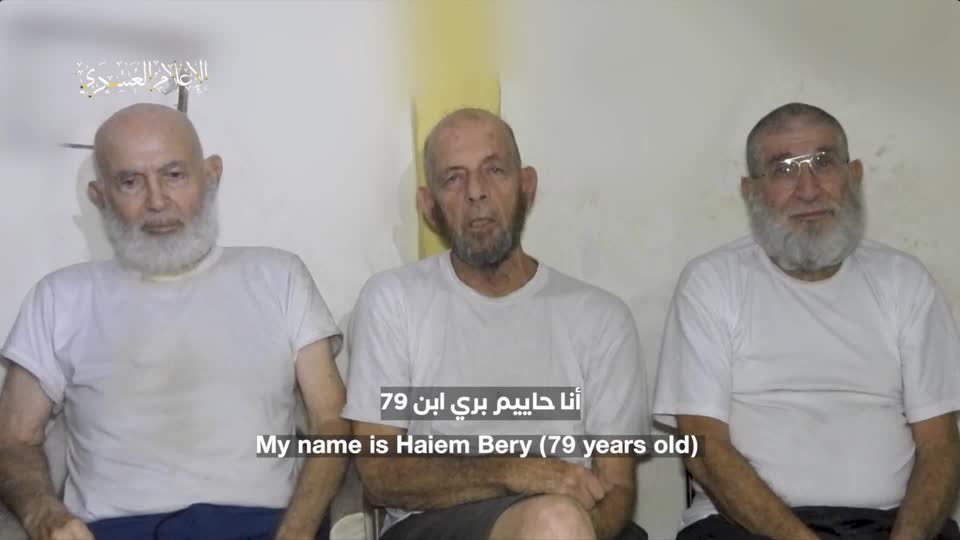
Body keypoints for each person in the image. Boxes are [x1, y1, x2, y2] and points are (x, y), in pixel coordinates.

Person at [0, 103, 348, 540]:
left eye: (174, 175)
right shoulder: (58, 297)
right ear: (100, 195)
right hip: (113, 531)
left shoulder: (278, 276)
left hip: (260, 526)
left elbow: (332, 422)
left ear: (212, 175)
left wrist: (298, 529)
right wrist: (41, 514)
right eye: (130, 182)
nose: (157, 201)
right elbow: (13, 439)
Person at [653, 102, 960, 540]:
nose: (809, 189)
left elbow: (941, 445)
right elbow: (703, 448)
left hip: (892, 527)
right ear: (750, 190)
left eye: (823, 163)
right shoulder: (712, 283)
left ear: (854, 176)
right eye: (782, 170)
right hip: (744, 529)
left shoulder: (904, 281)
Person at [341, 108, 649, 540]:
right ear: (429, 208)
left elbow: (615, 486)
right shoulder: (394, 300)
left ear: (527, 187)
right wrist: (513, 472)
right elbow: (379, 474)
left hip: (576, 525)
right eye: (453, 178)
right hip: (434, 524)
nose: (476, 193)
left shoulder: (600, 318)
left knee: (559, 523)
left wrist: (574, 528)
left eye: (495, 171)